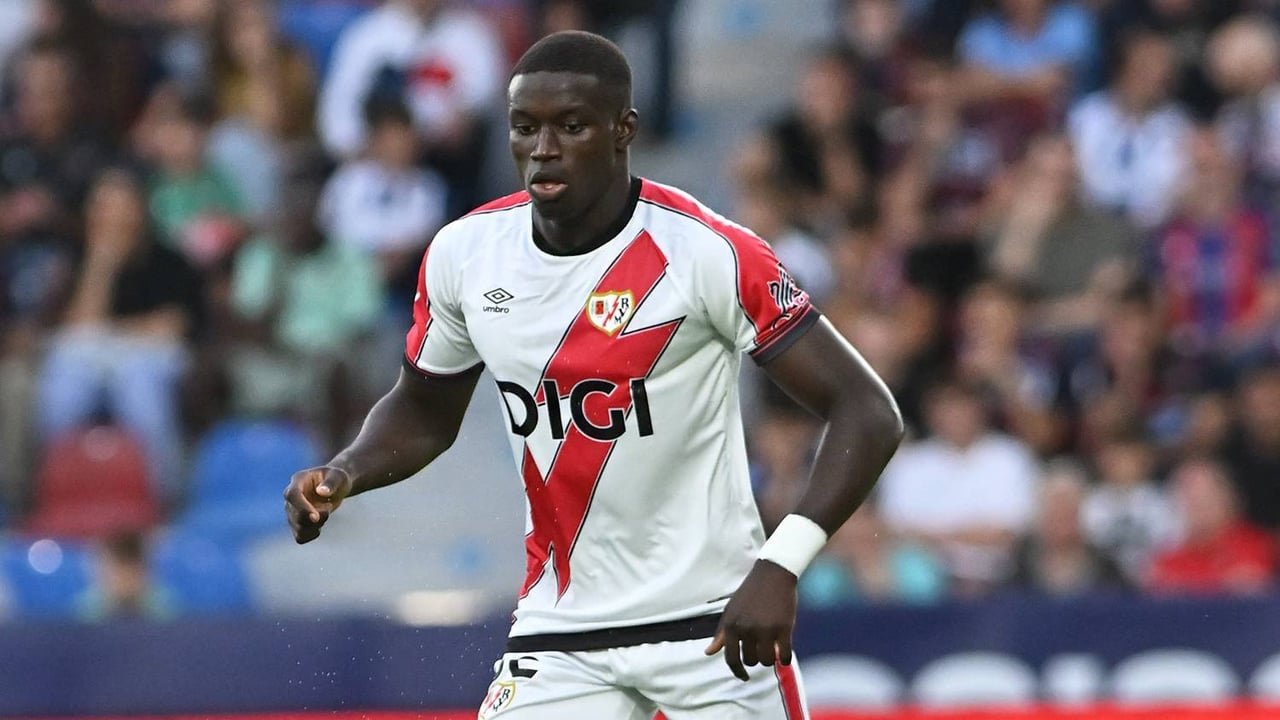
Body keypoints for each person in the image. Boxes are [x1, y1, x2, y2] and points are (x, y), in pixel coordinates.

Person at [284, 31, 903, 719]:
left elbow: (866, 410)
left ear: (623, 130)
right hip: (561, 633)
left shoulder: (705, 253)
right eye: (525, 127)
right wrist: (345, 471)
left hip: (716, 623)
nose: (543, 148)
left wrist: (783, 563)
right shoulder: (465, 254)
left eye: (571, 126)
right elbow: (423, 409)